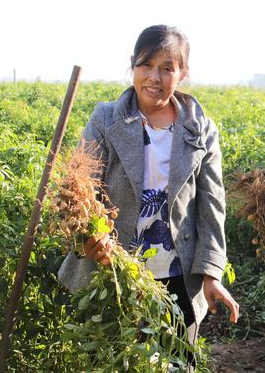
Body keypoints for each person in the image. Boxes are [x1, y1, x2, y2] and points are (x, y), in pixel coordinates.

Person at [58, 24, 239, 357]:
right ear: (132, 65)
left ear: (182, 74)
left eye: (167, 68)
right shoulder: (106, 119)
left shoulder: (200, 130)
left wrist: (211, 273)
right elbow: (78, 189)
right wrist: (87, 237)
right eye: (145, 65)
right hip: (111, 271)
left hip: (176, 279)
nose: (154, 77)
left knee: (174, 360)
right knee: (113, 358)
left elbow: (212, 205)